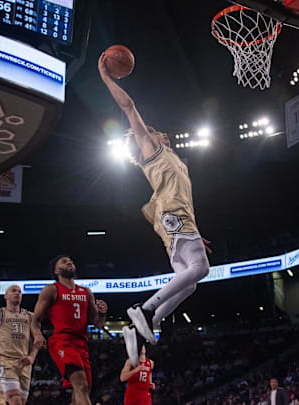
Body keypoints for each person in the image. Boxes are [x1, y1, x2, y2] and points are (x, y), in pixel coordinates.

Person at [98, 52, 212, 365]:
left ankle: (142, 327)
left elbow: (164, 203)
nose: (159, 132)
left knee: (189, 282)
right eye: (151, 131)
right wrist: (107, 77)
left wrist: (192, 236)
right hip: (173, 216)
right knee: (201, 270)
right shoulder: (153, 149)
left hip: (175, 220)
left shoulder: (170, 159)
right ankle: (145, 311)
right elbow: (128, 107)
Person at [32, 255, 108, 405]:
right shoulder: (51, 290)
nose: (69, 262)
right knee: (80, 384)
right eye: (64, 262)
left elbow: (97, 324)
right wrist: (37, 334)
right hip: (62, 341)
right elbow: (35, 319)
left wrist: (103, 314)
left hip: (82, 343)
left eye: (71, 261)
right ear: (56, 270)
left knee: (83, 390)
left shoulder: (86, 292)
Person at [0, 285, 37, 405]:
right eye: (14, 291)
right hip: (5, 360)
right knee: (14, 399)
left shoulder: (30, 316)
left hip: (24, 362)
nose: (17, 294)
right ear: (6, 296)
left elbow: (36, 340)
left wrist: (32, 356)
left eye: (20, 292)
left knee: (21, 401)